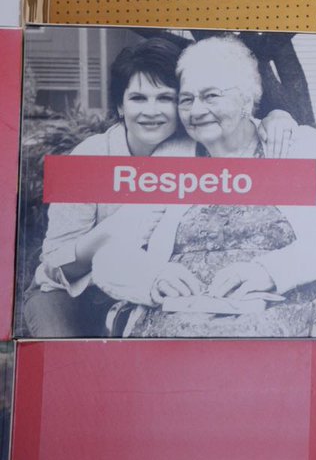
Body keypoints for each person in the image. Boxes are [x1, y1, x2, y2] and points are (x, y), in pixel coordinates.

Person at [92, 35, 316, 338]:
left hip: (272, 317)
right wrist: (152, 278)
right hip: (177, 320)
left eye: (211, 96)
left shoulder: (301, 147)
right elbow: (110, 255)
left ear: (246, 99)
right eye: (187, 99)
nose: (196, 111)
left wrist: (271, 271)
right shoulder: (173, 157)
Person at [22, 37, 197, 337]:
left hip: (144, 289)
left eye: (165, 98)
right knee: (65, 363)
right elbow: (55, 265)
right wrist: (109, 237)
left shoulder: (191, 149)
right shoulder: (89, 156)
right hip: (69, 293)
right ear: (120, 104)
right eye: (138, 98)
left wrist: (278, 117)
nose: (151, 111)